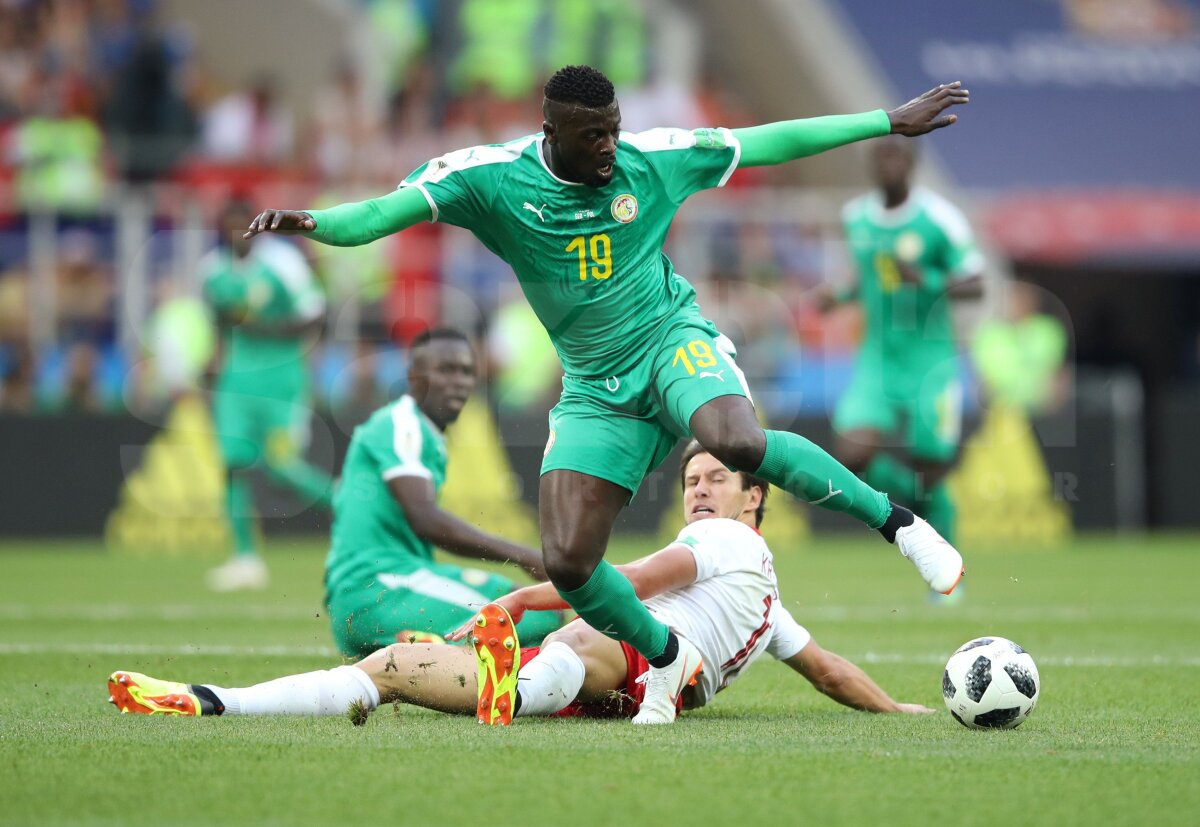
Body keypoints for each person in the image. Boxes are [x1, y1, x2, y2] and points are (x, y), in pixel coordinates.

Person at [242, 64, 968, 720]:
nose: (609, 149)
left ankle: (899, 523)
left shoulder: (650, 160)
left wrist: (884, 119)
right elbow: (381, 213)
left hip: (669, 343)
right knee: (568, 560)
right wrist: (316, 224)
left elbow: (770, 141)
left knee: (735, 439)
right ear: (551, 131)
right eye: (593, 137)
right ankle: (663, 657)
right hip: (594, 389)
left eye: (614, 132)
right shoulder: (490, 177)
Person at [106, 442, 935, 724]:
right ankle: (220, 700)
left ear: (757, 497)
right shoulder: (765, 595)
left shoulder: (720, 540)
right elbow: (826, 667)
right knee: (392, 667)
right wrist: (898, 708)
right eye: (692, 480)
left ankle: (520, 683)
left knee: (581, 631)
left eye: (717, 478)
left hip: (629, 661)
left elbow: (627, 580)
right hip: (640, 685)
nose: (700, 489)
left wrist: (515, 598)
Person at [324, 327, 559, 656]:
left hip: (394, 584)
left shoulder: (424, 432)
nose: (459, 381)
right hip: (377, 587)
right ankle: (436, 657)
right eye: (445, 370)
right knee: (540, 617)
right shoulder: (403, 425)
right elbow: (424, 518)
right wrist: (524, 555)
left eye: (466, 371)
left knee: (533, 603)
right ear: (414, 377)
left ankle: (425, 649)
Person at [825, 137, 985, 546]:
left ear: (912, 162)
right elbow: (869, 277)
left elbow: (976, 282)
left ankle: (948, 576)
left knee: (930, 463)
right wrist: (837, 296)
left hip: (929, 360)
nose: (889, 164)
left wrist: (929, 279)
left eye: (897, 155)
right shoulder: (856, 217)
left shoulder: (938, 218)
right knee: (851, 457)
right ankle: (923, 505)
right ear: (871, 164)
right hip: (877, 358)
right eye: (882, 156)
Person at [203, 199, 335, 591]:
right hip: (236, 383)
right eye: (229, 227)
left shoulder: (283, 263)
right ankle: (244, 558)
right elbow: (220, 323)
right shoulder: (212, 271)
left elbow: (315, 313)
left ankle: (356, 511)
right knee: (233, 463)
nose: (236, 235)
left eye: (243, 226)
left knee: (282, 470)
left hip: (282, 381)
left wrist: (266, 329)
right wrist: (214, 358)